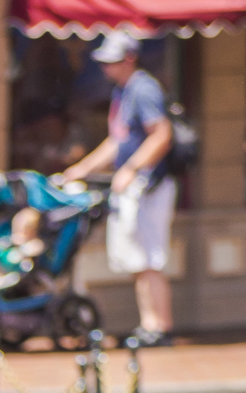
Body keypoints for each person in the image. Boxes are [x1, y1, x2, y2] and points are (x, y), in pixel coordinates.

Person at [59, 29, 175, 345]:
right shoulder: (123, 92)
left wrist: (132, 169)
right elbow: (117, 141)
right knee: (137, 259)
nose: (107, 68)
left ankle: (159, 327)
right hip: (134, 185)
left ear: (129, 59)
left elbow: (161, 135)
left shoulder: (143, 88)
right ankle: (150, 324)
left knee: (149, 258)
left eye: (113, 61)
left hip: (149, 186)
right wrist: (81, 170)